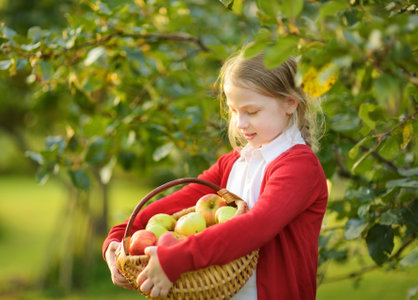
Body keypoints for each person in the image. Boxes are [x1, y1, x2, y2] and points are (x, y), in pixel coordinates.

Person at [103, 50, 328, 300]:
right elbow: (174, 203)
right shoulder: (233, 164)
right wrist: (119, 237)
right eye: (233, 111)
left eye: (252, 112)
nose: (240, 123)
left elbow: (256, 226)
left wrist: (176, 259)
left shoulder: (299, 167)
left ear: (290, 103)